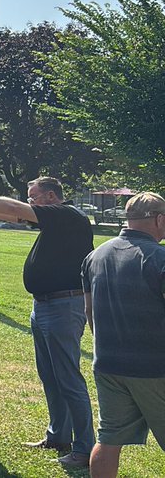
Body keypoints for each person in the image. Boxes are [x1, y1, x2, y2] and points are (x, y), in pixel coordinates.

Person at [0, 174, 95, 468]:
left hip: (64, 305)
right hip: (45, 305)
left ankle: (85, 448)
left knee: (68, 379)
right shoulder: (54, 222)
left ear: (51, 197)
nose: (29, 203)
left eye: (33, 197)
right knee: (51, 377)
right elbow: (7, 213)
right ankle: (58, 436)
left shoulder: (67, 215)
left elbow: (14, 209)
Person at [81, 192, 165, 478]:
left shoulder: (96, 255)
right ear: (159, 219)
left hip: (107, 363)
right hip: (155, 366)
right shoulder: (159, 258)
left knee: (109, 439)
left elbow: (89, 311)